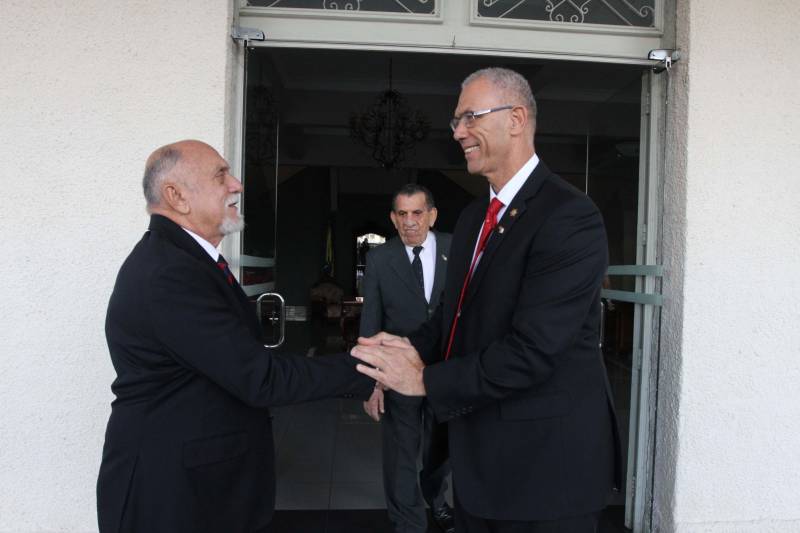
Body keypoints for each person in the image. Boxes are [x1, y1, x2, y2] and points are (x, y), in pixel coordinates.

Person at [351, 68, 621, 533]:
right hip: (478, 466)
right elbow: (453, 318)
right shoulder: (476, 216)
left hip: (545, 471)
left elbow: (533, 350)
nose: (457, 132)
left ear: (516, 119)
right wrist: (398, 350)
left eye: (469, 117)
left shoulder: (570, 216)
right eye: (456, 121)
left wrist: (426, 382)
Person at [96, 140, 371, 533]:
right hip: (170, 494)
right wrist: (366, 371)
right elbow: (259, 378)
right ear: (177, 197)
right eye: (220, 175)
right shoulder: (169, 274)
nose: (238, 185)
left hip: (199, 485)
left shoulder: (185, 261)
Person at [359, 184, 454, 533]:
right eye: (402, 214)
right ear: (393, 218)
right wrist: (373, 382)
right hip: (397, 372)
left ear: (432, 215)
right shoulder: (380, 259)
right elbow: (371, 320)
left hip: (445, 370)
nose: (410, 221)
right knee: (400, 451)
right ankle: (408, 523)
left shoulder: (455, 249)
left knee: (441, 449)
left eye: (417, 213)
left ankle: (436, 497)